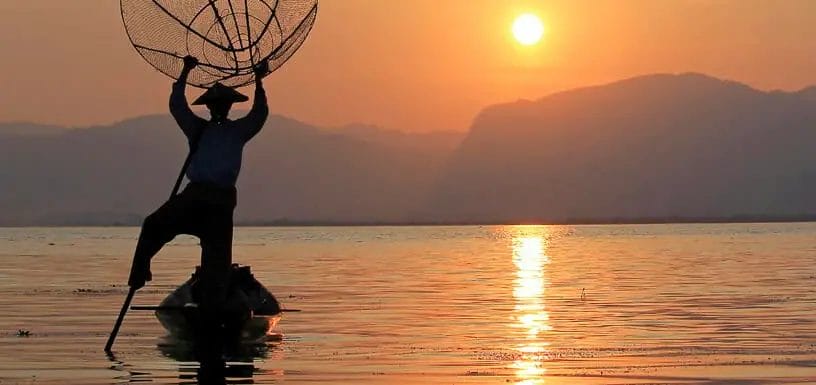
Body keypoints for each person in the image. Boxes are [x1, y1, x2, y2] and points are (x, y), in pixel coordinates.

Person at [127, 55, 269, 315]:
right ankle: (139, 274)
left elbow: (260, 114)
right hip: (195, 197)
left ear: (228, 106)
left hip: (221, 202)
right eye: (216, 104)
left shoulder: (237, 131)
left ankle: (213, 309)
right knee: (153, 224)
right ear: (210, 107)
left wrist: (259, 82)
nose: (219, 108)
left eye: (222, 104)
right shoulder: (198, 128)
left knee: (217, 264)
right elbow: (177, 106)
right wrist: (184, 72)